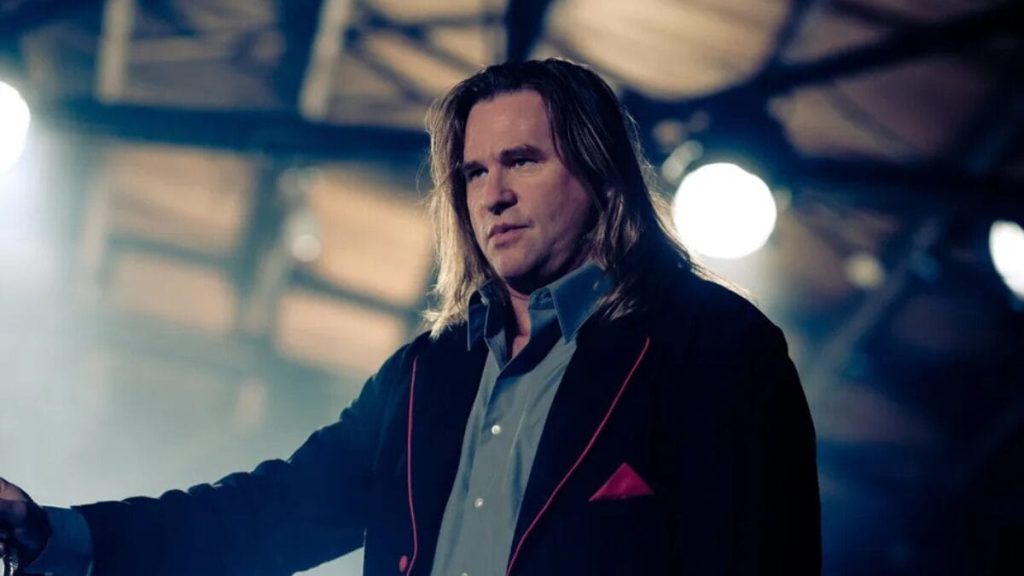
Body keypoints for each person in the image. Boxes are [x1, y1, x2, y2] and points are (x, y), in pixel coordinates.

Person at [0, 58, 820, 576]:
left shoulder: (713, 345)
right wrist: (54, 533)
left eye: (522, 161)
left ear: (602, 174)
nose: (493, 194)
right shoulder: (427, 373)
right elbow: (269, 513)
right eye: (472, 173)